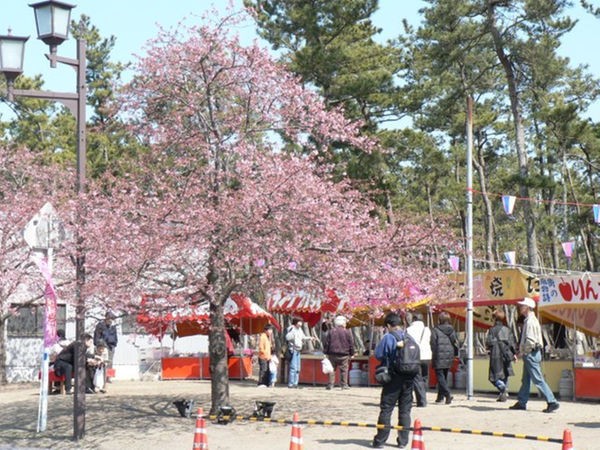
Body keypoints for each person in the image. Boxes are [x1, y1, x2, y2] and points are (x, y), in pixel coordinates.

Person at [372, 313, 416, 449]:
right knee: (405, 410)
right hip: (409, 377)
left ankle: (380, 440)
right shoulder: (409, 337)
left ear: (388, 326)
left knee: (386, 409)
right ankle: (403, 441)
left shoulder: (388, 337)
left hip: (393, 377)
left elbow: (378, 354)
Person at [509, 297, 560, 413]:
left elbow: (530, 342)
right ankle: (522, 401)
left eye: (522, 306)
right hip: (532, 353)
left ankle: (552, 401)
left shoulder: (530, 322)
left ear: (527, 307)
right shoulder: (530, 320)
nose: (520, 307)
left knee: (537, 379)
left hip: (531, 353)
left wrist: (521, 353)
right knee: (526, 379)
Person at [486, 309, 517, 402]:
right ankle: (503, 395)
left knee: (493, 377)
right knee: (505, 374)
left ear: (494, 318)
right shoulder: (507, 330)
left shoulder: (491, 330)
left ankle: (502, 388)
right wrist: (514, 354)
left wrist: (489, 347)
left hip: (496, 354)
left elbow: (489, 342)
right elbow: (512, 343)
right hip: (506, 354)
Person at [430, 311, 459, 405]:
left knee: (440, 377)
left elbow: (433, 344)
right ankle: (440, 397)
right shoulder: (452, 330)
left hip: (439, 355)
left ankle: (447, 394)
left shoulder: (435, 330)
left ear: (439, 319)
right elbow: (454, 341)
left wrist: (434, 352)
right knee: (444, 377)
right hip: (449, 355)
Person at [406, 312, 432, 407]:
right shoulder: (427, 329)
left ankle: (421, 400)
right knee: (424, 377)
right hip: (426, 356)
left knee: (417, 378)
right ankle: (423, 395)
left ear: (413, 319)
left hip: (415, 356)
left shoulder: (409, 330)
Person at [323, 315, 354, 390]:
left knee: (332, 370)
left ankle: (330, 385)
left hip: (332, 354)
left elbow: (327, 343)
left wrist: (325, 352)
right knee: (344, 370)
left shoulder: (331, 331)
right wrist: (352, 353)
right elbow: (351, 344)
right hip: (344, 354)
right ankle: (344, 385)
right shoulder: (347, 332)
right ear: (343, 323)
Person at [285, 317, 313, 389]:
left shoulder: (300, 330)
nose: (300, 324)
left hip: (298, 350)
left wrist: (310, 338)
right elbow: (287, 337)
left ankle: (295, 383)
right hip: (293, 349)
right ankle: (291, 384)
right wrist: (293, 335)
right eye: (299, 322)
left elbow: (303, 337)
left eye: (301, 322)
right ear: (296, 322)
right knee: (293, 367)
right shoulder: (291, 329)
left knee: (298, 368)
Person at [94, 311, 118, 382]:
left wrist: (115, 344)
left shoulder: (113, 327)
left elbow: (115, 336)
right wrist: (98, 345)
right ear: (106, 318)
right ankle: (102, 377)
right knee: (102, 361)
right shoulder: (100, 325)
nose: (111, 320)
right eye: (109, 318)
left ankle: (109, 377)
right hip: (102, 346)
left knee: (110, 362)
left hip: (111, 346)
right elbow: (97, 336)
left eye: (112, 319)